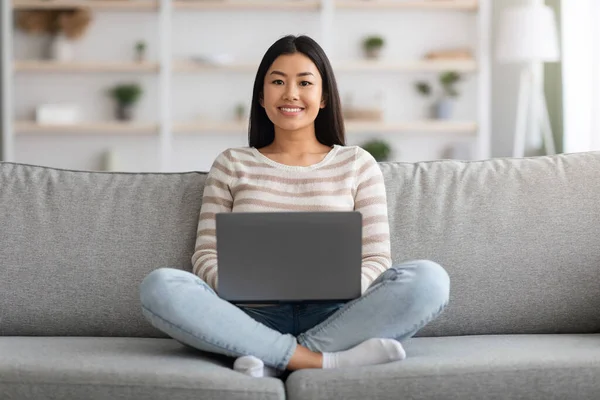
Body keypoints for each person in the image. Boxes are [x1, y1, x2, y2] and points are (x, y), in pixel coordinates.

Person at [139, 35, 450, 378]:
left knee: (429, 279)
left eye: (304, 82)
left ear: (324, 97)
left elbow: (377, 259)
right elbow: (205, 257)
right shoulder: (231, 164)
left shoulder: (357, 164)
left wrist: (342, 285)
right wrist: (239, 285)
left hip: (337, 314)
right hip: (248, 314)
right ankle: (320, 360)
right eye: (277, 82)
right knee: (161, 285)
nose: (290, 93)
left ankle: (264, 355)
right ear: (261, 95)